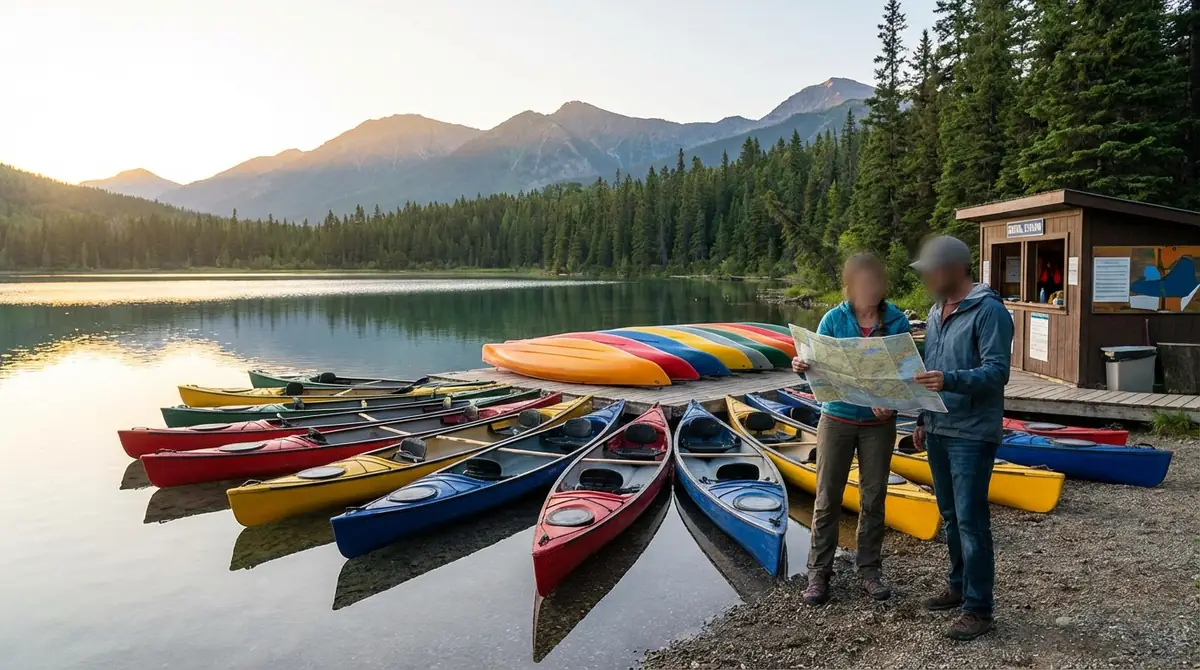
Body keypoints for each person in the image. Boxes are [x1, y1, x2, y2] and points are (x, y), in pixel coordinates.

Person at [790, 252, 911, 606]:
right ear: (849, 284)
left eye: (873, 281)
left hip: (879, 424)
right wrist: (802, 366)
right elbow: (817, 368)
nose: (868, 288)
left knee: (873, 498)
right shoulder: (832, 320)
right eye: (860, 282)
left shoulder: (897, 321)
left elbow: (907, 377)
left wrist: (890, 400)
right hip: (837, 418)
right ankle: (818, 573)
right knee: (827, 497)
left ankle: (869, 570)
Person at [909, 235, 1013, 641]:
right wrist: (921, 417)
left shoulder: (989, 311)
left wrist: (951, 380)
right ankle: (958, 586)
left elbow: (997, 372)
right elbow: (929, 371)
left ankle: (979, 608)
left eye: (930, 270)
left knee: (971, 522)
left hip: (972, 434)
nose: (926, 279)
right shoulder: (936, 311)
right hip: (937, 429)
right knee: (951, 518)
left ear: (953, 269)